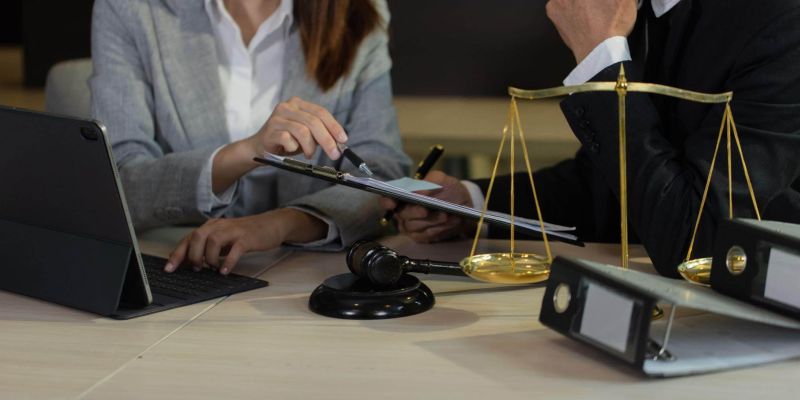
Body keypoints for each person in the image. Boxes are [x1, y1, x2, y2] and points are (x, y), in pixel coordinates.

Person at [382, 0, 800, 277]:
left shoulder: (782, 21)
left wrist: (600, 56)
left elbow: (695, 242)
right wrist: (472, 203)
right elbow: (611, 188)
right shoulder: (644, 10)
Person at [91, 0, 410, 274]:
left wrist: (281, 223)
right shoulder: (132, 9)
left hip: (305, 277)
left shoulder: (356, 9)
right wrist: (246, 152)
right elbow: (116, 183)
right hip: (175, 265)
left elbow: (382, 173)